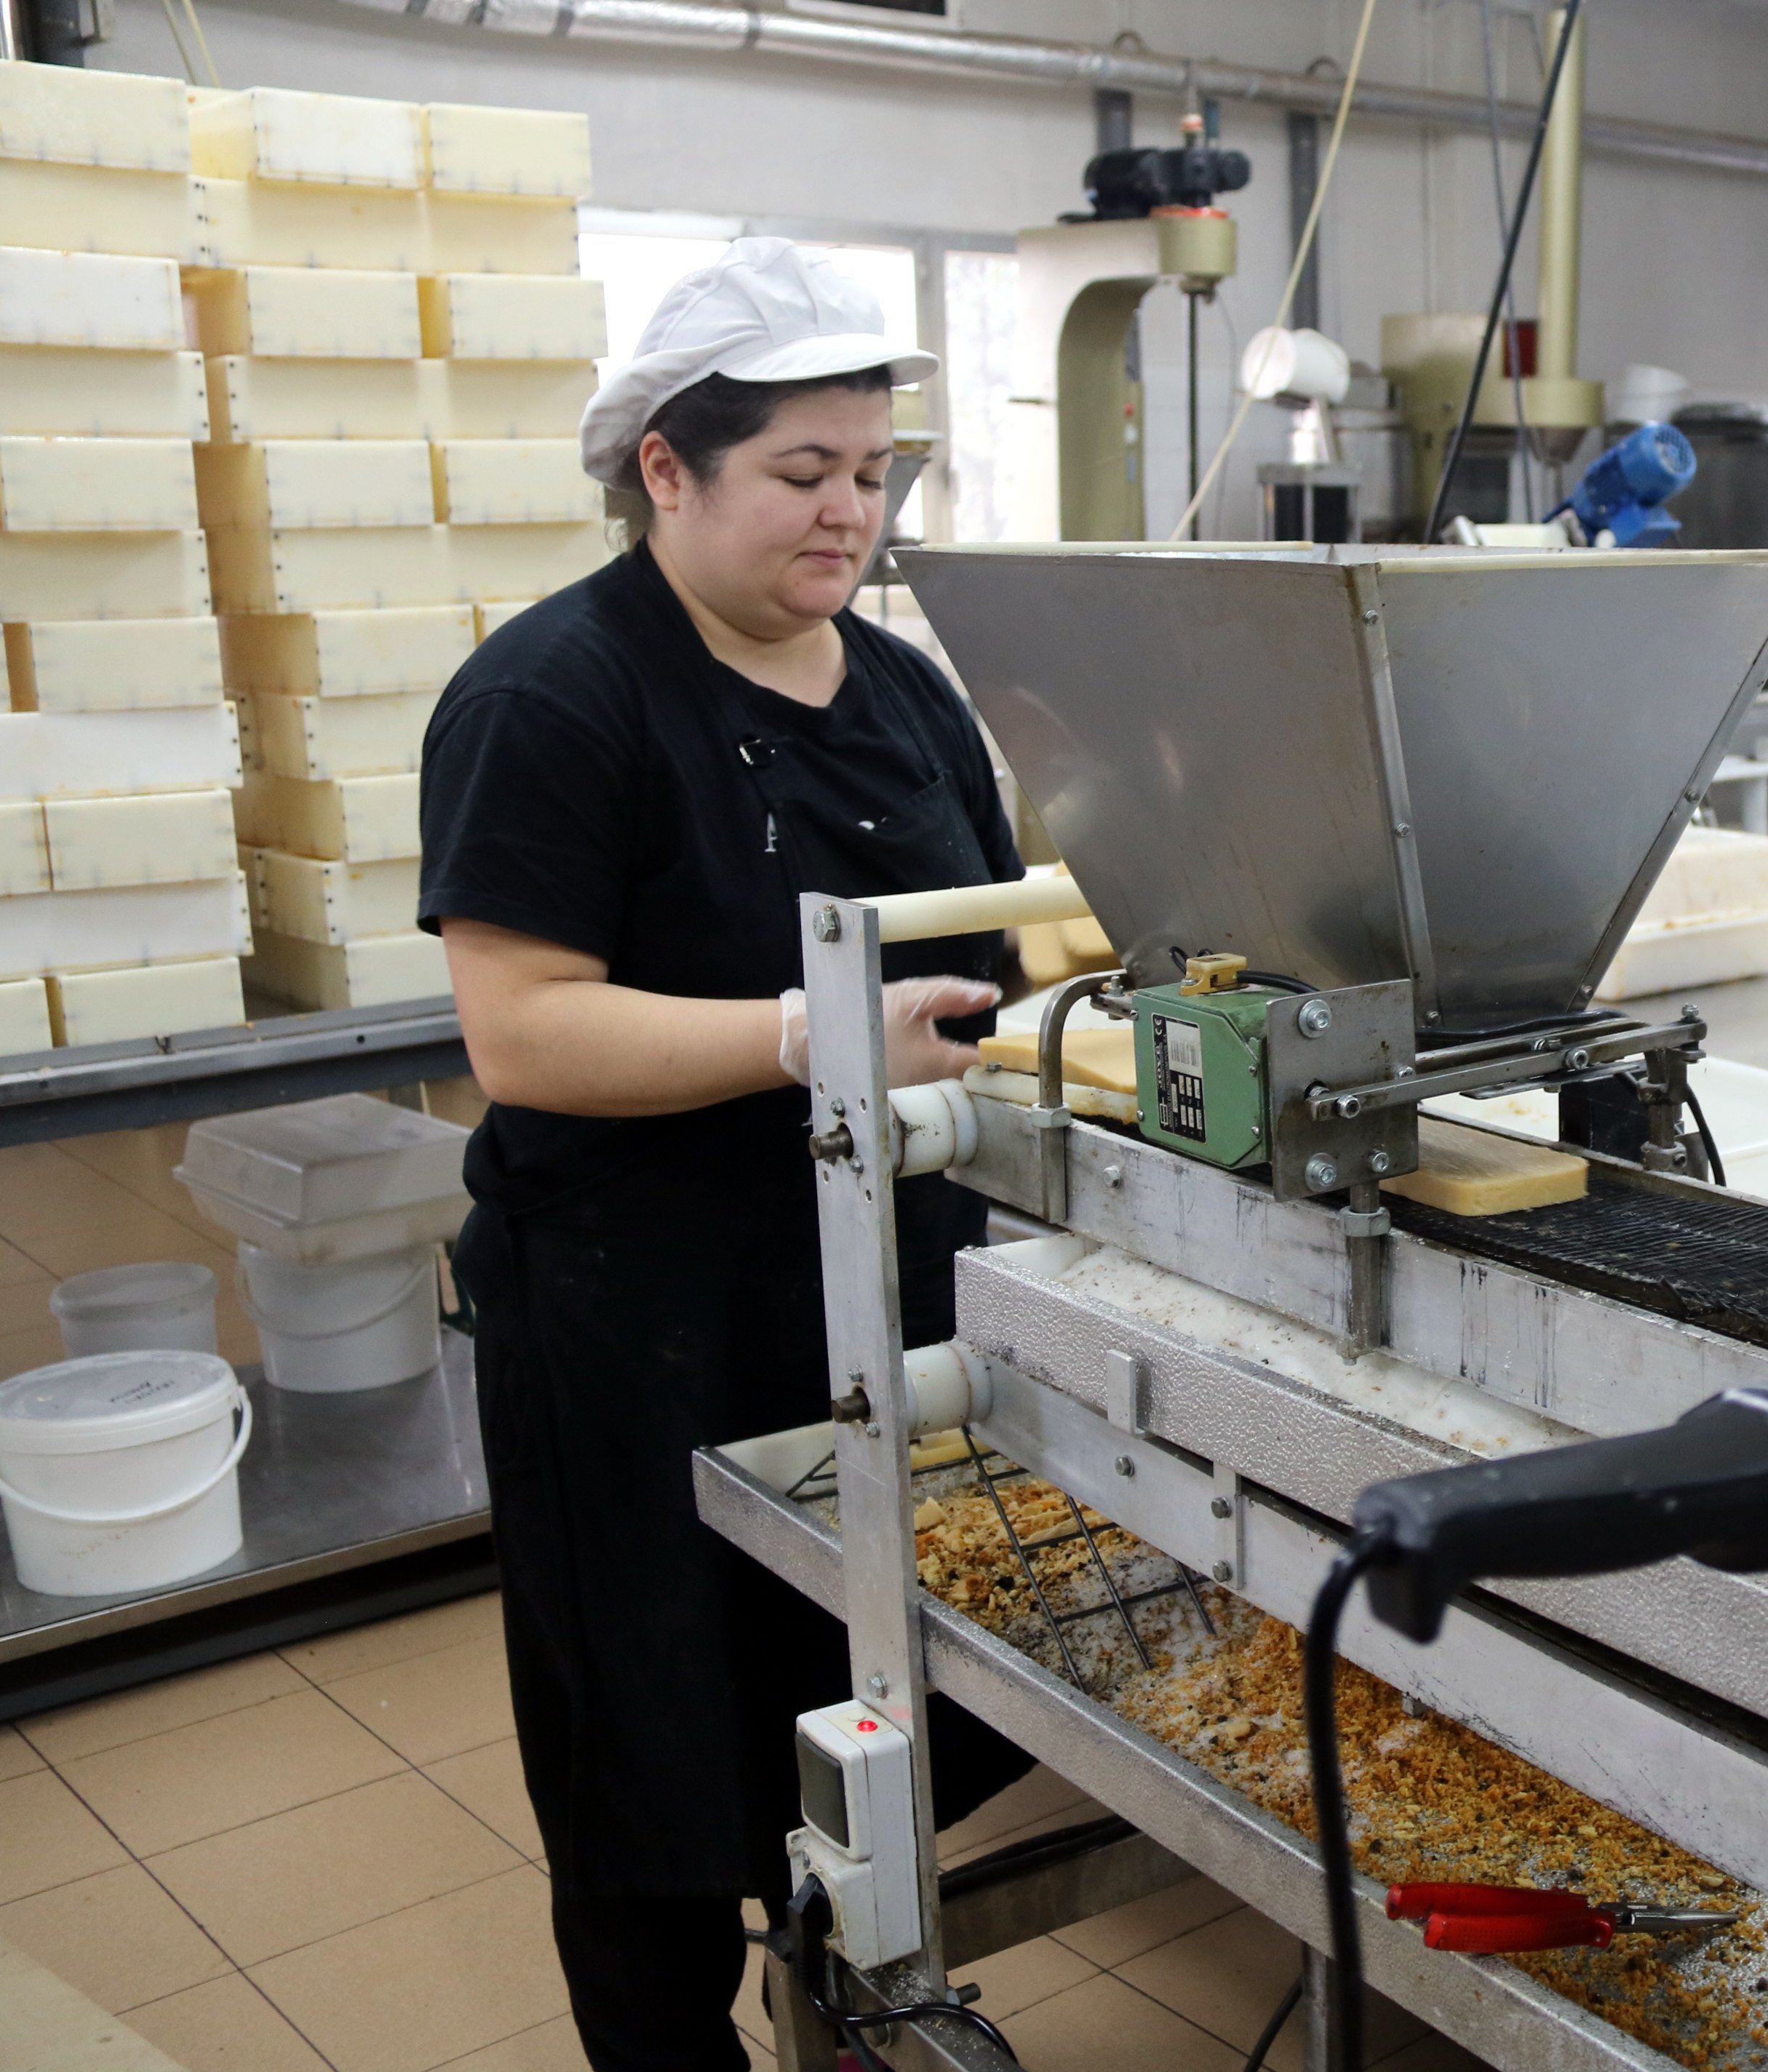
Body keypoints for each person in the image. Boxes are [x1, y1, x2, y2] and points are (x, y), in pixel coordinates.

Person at [418, 239, 1030, 2072]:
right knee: (655, 1760)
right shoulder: (553, 697)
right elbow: (521, 1030)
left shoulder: (907, 691)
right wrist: (801, 1032)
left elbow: (999, 939)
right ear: (667, 471)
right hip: (641, 1322)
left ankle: (852, 1997)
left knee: (868, 1705)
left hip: (873, 1289)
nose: (849, 513)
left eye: (874, 472)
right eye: (803, 473)